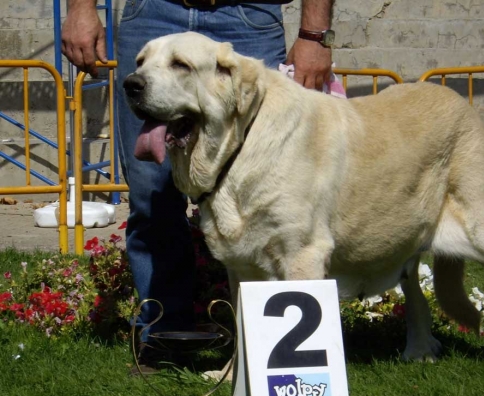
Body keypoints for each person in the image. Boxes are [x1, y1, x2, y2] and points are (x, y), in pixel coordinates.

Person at [61, 0, 335, 369]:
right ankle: (164, 338)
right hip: (154, 11)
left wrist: (314, 35)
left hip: (248, 17)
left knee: (271, 199)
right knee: (150, 197)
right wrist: (81, 8)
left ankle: (274, 352)